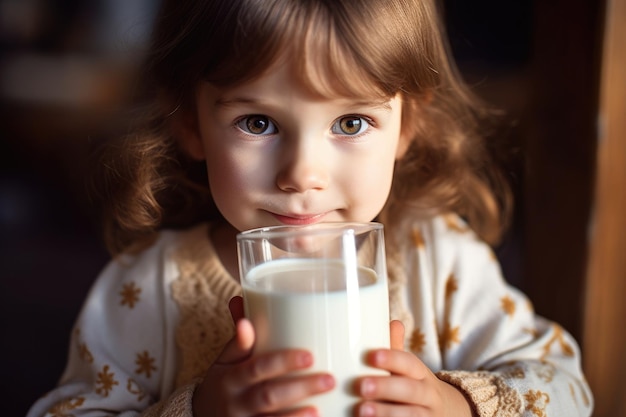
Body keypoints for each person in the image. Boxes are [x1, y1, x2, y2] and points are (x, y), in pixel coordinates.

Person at [27, 0, 594, 416]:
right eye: (258, 123)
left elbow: (567, 387)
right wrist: (197, 413)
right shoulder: (148, 285)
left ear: (407, 127)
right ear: (189, 125)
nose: (302, 174)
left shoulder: (439, 261)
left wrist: (457, 408)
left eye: (351, 123)